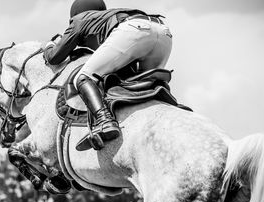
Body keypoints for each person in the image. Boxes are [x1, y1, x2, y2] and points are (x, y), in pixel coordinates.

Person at [43, 0, 173, 151]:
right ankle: (169, 106)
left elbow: (54, 58)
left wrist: (49, 47)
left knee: (84, 77)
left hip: (134, 31)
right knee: (144, 82)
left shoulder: (79, 20)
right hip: (164, 32)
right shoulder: (111, 15)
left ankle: (104, 121)